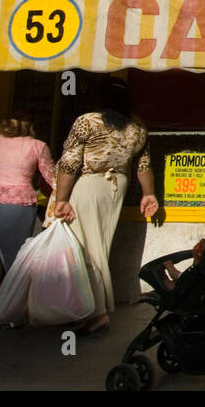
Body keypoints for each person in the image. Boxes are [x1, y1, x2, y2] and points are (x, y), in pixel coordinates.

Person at [54, 79, 158, 336]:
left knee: (86, 249)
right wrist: (149, 194)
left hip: (90, 183)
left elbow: (69, 163)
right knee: (100, 246)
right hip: (117, 186)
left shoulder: (87, 121)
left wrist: (61, 199)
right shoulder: (138, 127)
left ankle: (97, 314)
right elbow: (143, 164)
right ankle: (86, 308)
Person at [0, 113, 57, 337]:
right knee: (17, 265)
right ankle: (14, 316)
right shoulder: (38, 146)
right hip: (19, 205)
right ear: (30, 128)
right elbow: (52, 180)